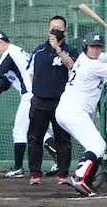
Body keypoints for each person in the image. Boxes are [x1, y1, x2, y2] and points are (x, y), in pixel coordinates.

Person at [56, 31, 107, 197]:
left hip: (69, 110)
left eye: (98, 46)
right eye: (92, 46)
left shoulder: (86, 58)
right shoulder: (91, 65)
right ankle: (80, 178)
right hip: (74, 111)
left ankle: (86, 181)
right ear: (86, 46)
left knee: (99, 147)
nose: (95, 50)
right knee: (97, 146)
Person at [0, 30, 53, 178]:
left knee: (19, 131)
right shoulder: (17, 53)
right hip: (38, 94)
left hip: (30, 95)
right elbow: (6, 82)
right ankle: (59, 161)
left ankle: (18, 168)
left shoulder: (10, 53)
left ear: (0, 42)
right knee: (38, 131)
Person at [26, 16, 80, 185]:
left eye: (59, 28)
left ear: (65, 31)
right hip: (40, 101)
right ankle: (35, 173)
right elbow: (31, 74)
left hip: (62, 102)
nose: (55, 31)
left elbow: (72, 66)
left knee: (63, 139)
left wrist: (57, 48)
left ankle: (63, 174)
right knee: (35, 138)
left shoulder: (71, 51)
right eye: (52, 28)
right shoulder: (39, 51)